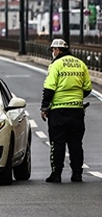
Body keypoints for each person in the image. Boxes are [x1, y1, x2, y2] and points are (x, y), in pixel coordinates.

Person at [41, 38, 92, 183]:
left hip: (58, 111)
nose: (52, 53)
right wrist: (76, 98)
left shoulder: (56, 65)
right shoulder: (80, 64)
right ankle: (77, 174)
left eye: (52, 50)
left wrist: (45, 107)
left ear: (57, 50)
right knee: (76, 143)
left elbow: (49, 87)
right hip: (76, 110)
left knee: (57, 143)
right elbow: (87, 88)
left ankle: (56, 174)